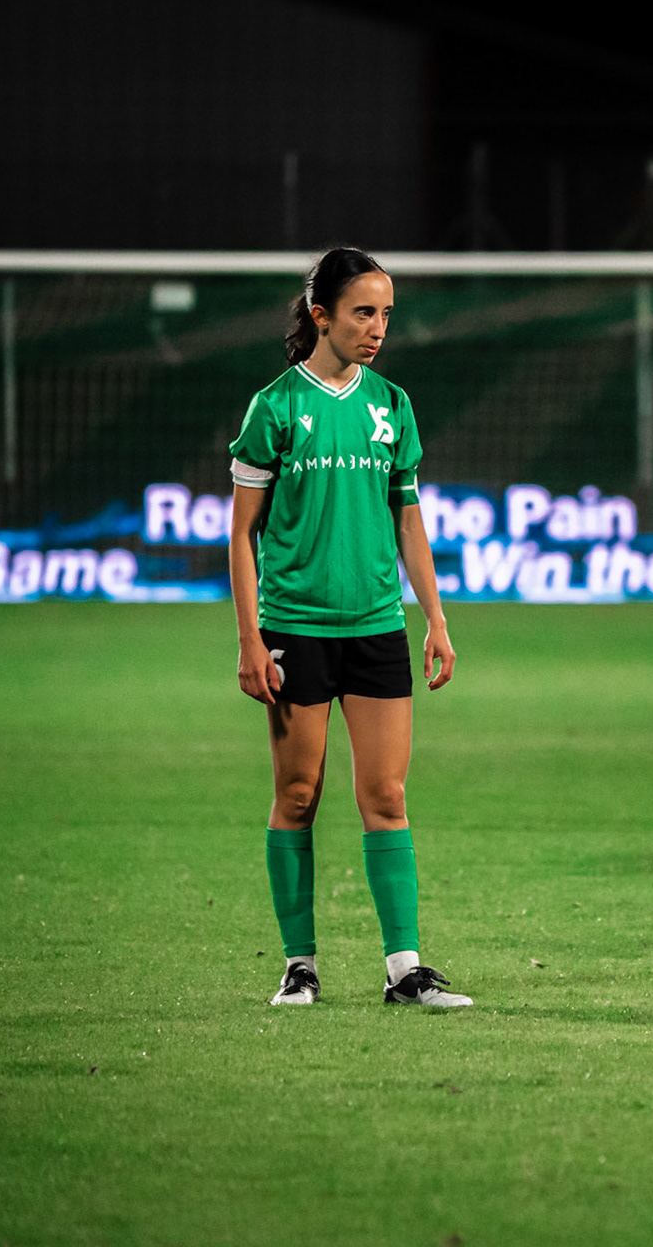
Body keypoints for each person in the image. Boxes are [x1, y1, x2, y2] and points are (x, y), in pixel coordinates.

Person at [228, 247, 470, 1008]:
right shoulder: (274, 408)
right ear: (321, 315)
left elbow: (409, 520)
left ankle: (405, 969)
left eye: (386, 314)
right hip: (295, 628)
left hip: (374, 628)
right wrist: (248, 640)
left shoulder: (392, 405)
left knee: (387, 797)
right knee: (298, 794)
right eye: (364, 312)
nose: (378, 329)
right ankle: (299, 967)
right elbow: (240, 534)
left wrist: (434, 617)